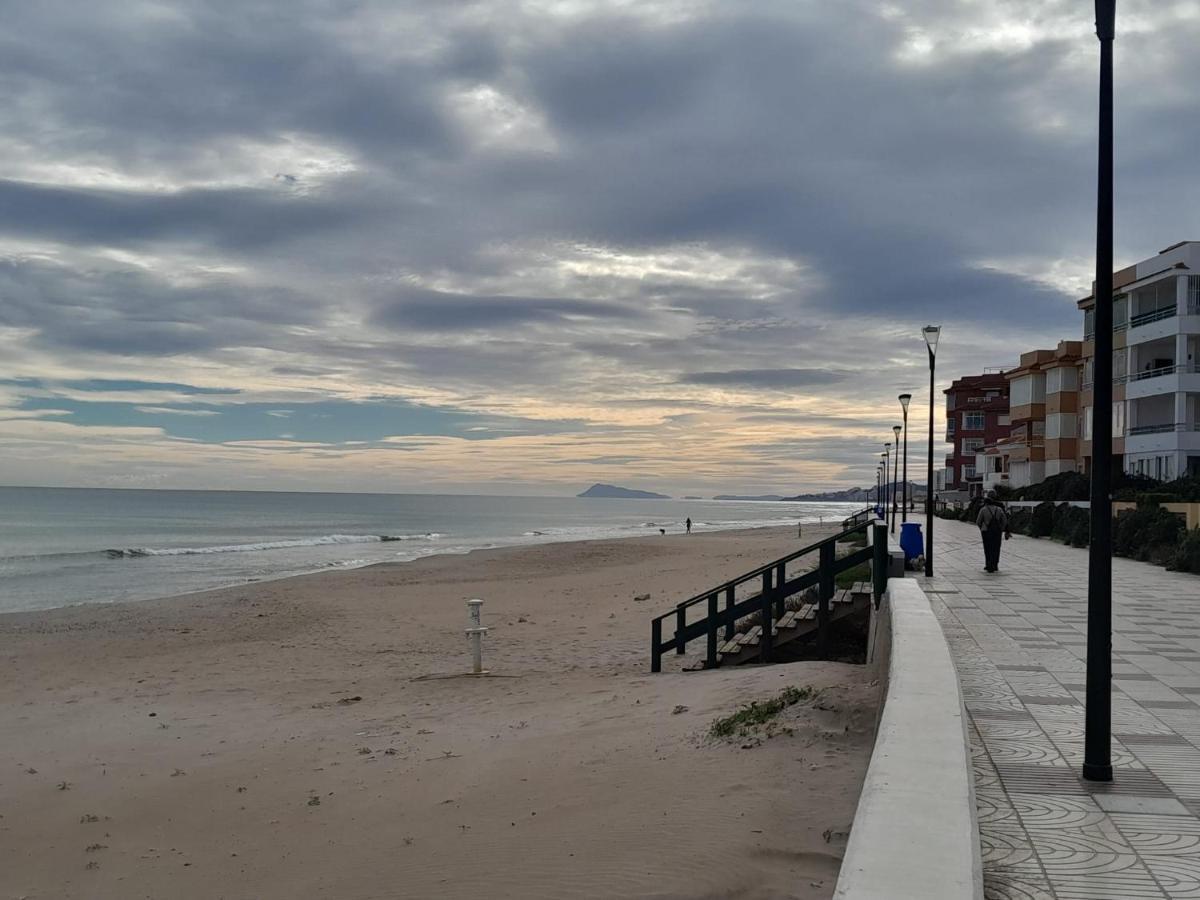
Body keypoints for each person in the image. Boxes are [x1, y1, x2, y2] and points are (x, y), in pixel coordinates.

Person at [976, 490, 1011, 573]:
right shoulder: (999, 508)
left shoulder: (983, 509)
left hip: (986, 532)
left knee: (987, 548)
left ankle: (988, 564)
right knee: (996, 548)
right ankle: (995, 565)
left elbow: (978, 521)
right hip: (997, 532)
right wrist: (1001, 529)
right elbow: (1005, 520)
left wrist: (983, 527)